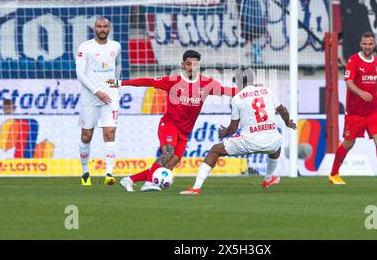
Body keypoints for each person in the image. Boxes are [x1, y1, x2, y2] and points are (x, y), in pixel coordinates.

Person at [114, 50, 238, 192]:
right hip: (169, 124)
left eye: (195, 64)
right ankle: (149, 183)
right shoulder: (173, 81)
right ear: (183, 65)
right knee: (168, 153)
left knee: (170, 164)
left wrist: (249, 89)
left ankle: (129, 179)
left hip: (185, 132)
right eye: (188, 64)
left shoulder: (206, 83)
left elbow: (226, 90)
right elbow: (148, 81)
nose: (192, 67)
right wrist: (122, 82)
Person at [180, 69, 297, 195]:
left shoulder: (237, 98)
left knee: (215, 150)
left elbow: (233, 128)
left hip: (249, 142)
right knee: (276, 145)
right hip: (272, 141)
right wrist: (287, 123)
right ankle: (268, 179)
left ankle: (196, 187)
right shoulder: (268, 91)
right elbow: (283, 110)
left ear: (238, 83)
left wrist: (225, 132)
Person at [328, 32, 377, 185]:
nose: (367, 46)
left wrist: (376, 100)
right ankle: (334, 174)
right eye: (365, 44)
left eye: (370, 44)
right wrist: (361, 93)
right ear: (361, 45)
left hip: (373, 111)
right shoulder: (353, 60)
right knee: (349, 143)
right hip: (355, 112)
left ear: (374, 45)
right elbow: (348, 82)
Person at [75, 17, 122, 186]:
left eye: (105, 26)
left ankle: (109, 173)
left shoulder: (115, 46)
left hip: (110, 96)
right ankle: (85, 172)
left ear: (109, 29)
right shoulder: (85, 47)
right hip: (90, 97)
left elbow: (117, 66)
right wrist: (96, 91)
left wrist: (115, 85)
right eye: (99, 26)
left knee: (109, 132)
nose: (102, 29)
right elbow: (80, 74)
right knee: (87, 136)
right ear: (94, 28)